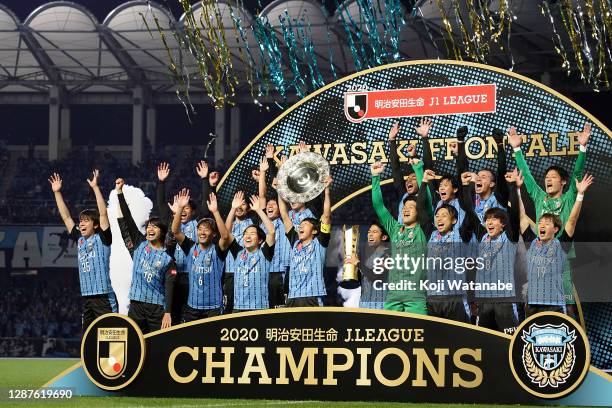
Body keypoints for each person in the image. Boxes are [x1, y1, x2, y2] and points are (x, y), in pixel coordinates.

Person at [508, 123, 590, 315]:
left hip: (562, 255)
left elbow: (578, 175)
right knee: (534, 300)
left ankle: (574, 340)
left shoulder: (568, 197)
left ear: (563, 182)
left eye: (553, 177)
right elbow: (527, 177)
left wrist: (583, 148)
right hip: (538, 255)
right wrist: (517, 149)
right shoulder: (539, 197)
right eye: (546, 177)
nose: (548, 179)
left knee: (567, 303)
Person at [49, 170, 117, 329]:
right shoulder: (79, 239)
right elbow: (66, 217)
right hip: (87, 297)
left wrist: (95, 187)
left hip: (103, 297)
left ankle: (116, 356)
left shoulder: (103, 238)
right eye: (80, 221)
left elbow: (102, 213)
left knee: (111, 335)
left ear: (95, 225)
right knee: (89, 337)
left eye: (86, 221)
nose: (81, 224)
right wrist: (57, 192)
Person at [518, 172, 593, 316]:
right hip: (532, 304)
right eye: (540, 223)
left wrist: (580, 195)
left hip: (554, 305)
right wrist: (517, 190)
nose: (542, 225)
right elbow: (522, 217)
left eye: (547, 223)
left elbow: (571, 221)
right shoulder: (532, 243)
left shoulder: (561, 245)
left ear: (556, 229)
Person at [156, 161, 218, 324]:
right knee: (172, 313)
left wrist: (205, 180)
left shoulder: (198, 224)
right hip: (172, 275)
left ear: (193, 211)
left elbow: (206, 206)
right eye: (181, 209)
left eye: (186, 209)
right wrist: (162, 182)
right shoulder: (171, 222)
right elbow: (161, 205)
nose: (183, 211)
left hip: (193, 276)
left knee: (191, 313)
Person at [371, 159, 433, 314]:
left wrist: (419, 171)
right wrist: (375, 178)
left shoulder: (423, 229)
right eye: (404, 207)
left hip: (415, 294)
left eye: (411, 207)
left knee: (419, 334)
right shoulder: (394, 229)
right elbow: (379, 206)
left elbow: (427, 203)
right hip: (394, 294)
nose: (406, 209)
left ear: (419, 211)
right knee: (392, 334)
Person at [116, 178, 176, 333]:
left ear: (161, 232)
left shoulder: (168, 258)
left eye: (154, 227)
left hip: (157, 307)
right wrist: (119, 193)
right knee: (135, 342)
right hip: (136, 305)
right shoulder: (139, 244)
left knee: (157, 344)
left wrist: (167, 312)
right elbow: (127, 219)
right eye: (149, 226)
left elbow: (170, 286)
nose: (150, 228)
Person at [420, 169, 480, 322]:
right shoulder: (430, 235)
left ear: (454, 220)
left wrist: (467, 186)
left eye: (444, 215)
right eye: (437, 216)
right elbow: (420, 209)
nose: (439, 219)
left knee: (460, 339)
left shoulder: (461, 235)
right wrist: (424, 182)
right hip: (433, 299)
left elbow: (470, 212)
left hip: (456, 299)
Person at [470, 169, 521, 334]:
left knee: (510, 342)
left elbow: (513, 214)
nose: (489, 223)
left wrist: (513, 187)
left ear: (503, 224)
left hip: (504, 300)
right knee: (483, 343)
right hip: (484, 301)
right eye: (487, 220)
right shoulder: (482, 239)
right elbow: (469, 211)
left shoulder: (509, 238)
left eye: (494, 220)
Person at [171, 189, 230, 322]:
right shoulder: (191, 248)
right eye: (200, 229)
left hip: (213, 307)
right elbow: (175, 231)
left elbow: (225, 236)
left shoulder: (218, 250)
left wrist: (215, 212)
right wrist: (180, 208)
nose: (202, 232)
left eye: (206, 229)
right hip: (193, 307)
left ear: (213, 234)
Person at [279, 170, 332, 307]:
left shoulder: (320, 242)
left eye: (305, 224)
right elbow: (284, 215)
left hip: (312, 296)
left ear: (314, 230)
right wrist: (279, 190)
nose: (300, 227)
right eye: (300, 225)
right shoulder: (294, 241)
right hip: (292, 296)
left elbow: (326, 216)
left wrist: (326, 191)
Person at [225, 194, 276, 311]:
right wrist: (233, 208)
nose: (247, 236)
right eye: (245, 233)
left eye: (252, 233)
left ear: (260, 240)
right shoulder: (237, 252)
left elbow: (271, 231)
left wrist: (258, 210)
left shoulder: (265, 254)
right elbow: (226, 234)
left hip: (259, 309)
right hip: (238, 308)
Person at [257, 147, 291, 308]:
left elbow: (281, 192)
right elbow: (262, 195)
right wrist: (262, 172)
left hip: (284, 271)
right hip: (266, 271)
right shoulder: (263, 222)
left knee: (284, 309)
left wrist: (278, 168)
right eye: (268, 205)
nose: (270, 206)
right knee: (268, 309)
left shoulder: (286, 221)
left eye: (274, 204)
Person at [458, 128, 509, 224]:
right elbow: (463, 172)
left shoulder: (499, 198)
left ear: (492, 184)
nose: (478, 178)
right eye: (478, 176)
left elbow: (502, 171)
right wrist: (460, 142)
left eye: (484, 177)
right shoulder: (473, 198)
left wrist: (500, 145)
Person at [355, 222, 390, 310]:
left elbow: (375, 276)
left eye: (375, 232)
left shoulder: (388, 254)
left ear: (384, 237)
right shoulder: (369, 256)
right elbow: (363, 280)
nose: (370, 234)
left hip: (379, 307)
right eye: (369, 232)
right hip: (364, 305)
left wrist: (358, 264)